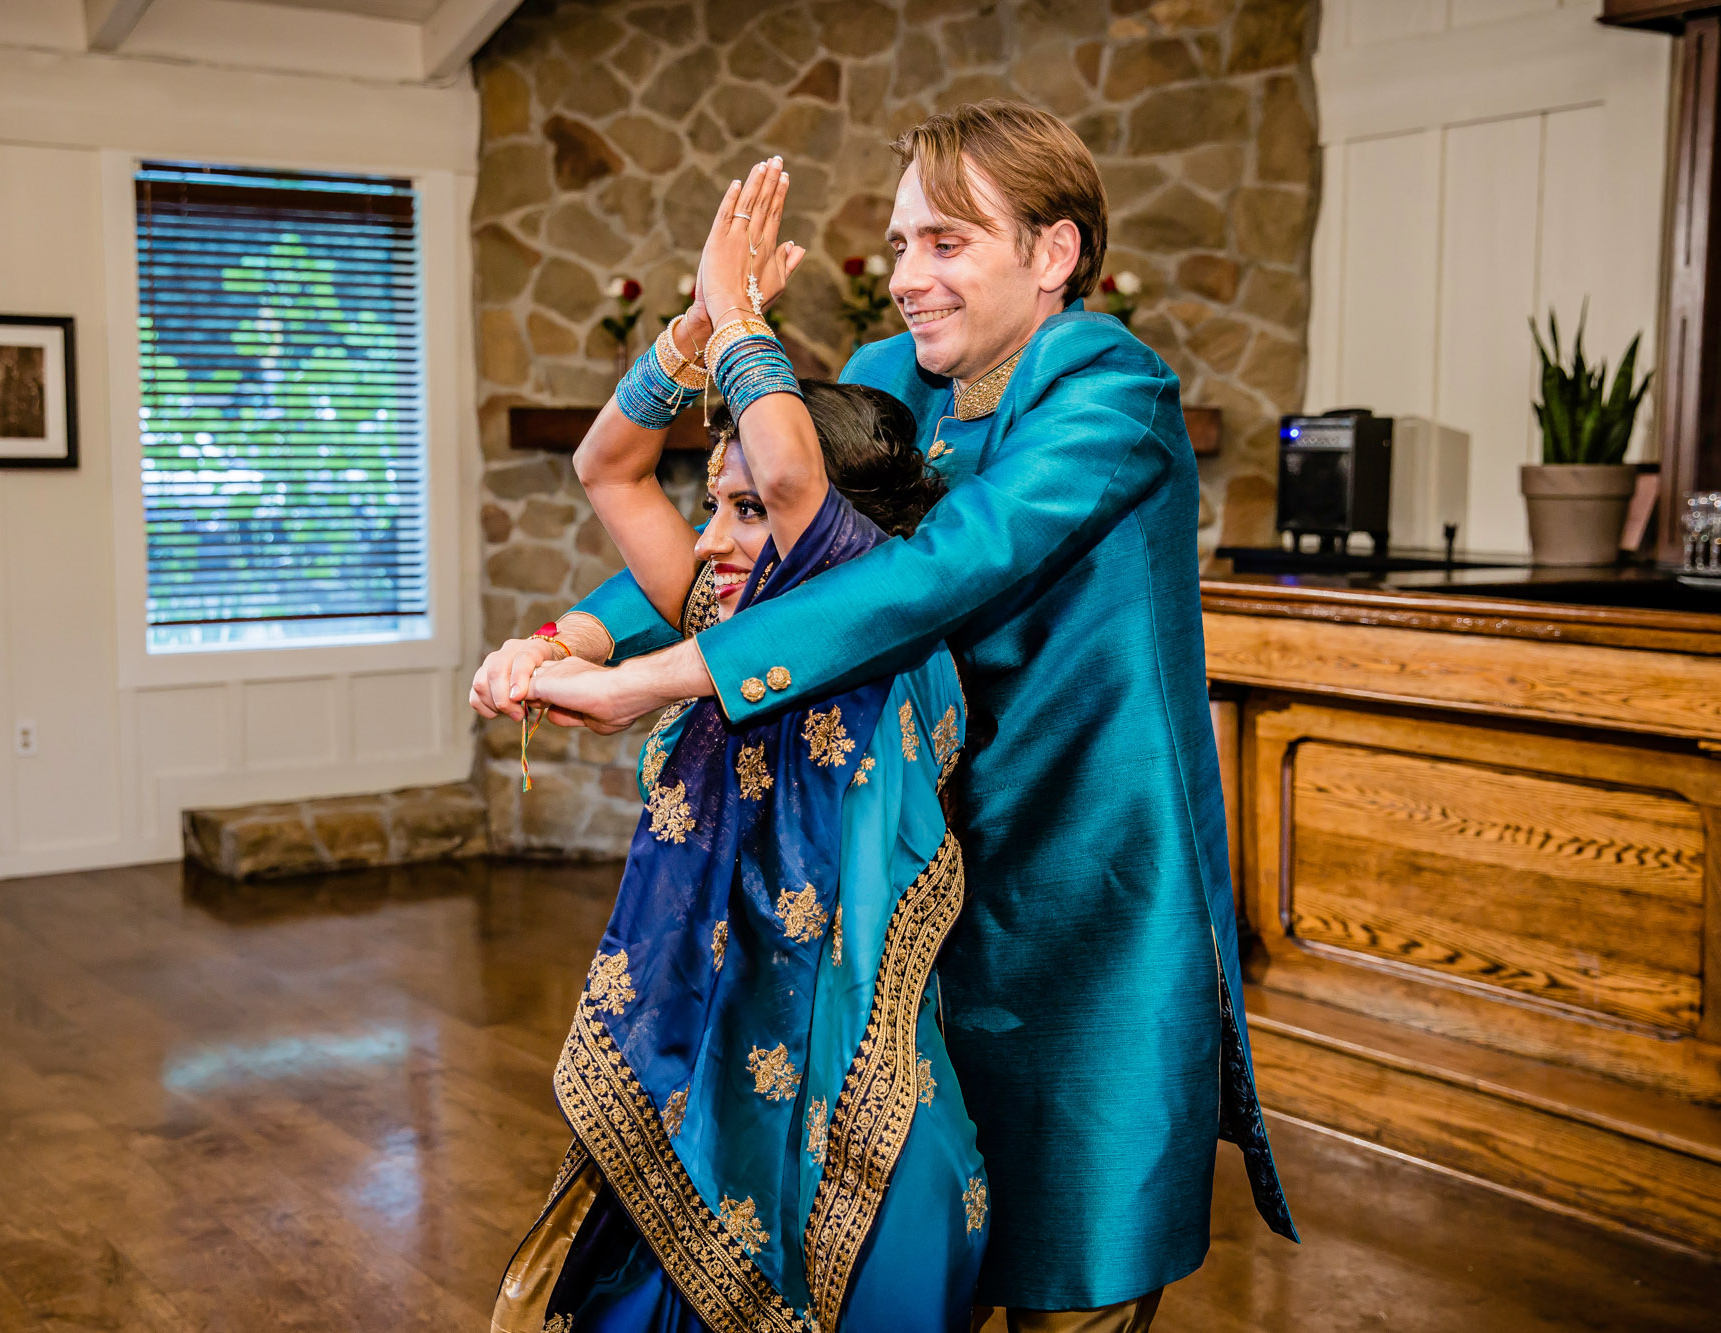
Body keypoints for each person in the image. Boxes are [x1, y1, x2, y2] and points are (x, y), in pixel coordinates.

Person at [477, 103, 1298, 1331]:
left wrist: (659, 680)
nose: (907, 279)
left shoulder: (1112, 400)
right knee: (913, 1247)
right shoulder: (884, 384)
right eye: (900, 242)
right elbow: (764, 539)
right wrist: (582, 636)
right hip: (911, 877)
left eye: (946, 245)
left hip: (1082, 890)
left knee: (1077, 1251)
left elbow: (935, 570)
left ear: (1054, 254)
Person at [488, 160, 986, 1333]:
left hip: (850, 1110)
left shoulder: (877, 630)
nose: (713, 537)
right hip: (703, 1081)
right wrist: (694, 330)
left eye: (744, 510)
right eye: (712, 504)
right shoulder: (727, 617)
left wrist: (745, 314)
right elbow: (603, 466)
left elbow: (795, 475)